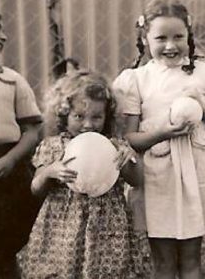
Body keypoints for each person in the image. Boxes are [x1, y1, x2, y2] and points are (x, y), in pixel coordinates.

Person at [113, 0, 205, 278]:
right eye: (161, 38)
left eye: (178, 36)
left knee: (192, 258)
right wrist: (161, 132)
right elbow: (129, 139)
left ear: (188, 35)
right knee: (164, 261)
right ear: (145, 39)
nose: (171, 46)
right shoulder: (137, 80)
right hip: (159, 179)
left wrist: (203, 108)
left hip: (197, 174)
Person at [19, 72, 144, 278]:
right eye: (78, 116)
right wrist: (50, 171)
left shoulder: (113, 146)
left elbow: (137, 180)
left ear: (107, 116)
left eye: (96, 117)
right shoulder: (54, 146)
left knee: (107, 271)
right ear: (64, 115)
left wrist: (129, 159)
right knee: (63, 270)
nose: (88, 124)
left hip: (106, 225)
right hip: (63, 225)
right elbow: (36, 188)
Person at [0, 2, 42, 279]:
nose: (4, 36)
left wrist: (11, 159)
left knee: (6, 250)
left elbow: (32, 130)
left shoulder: (13, 80)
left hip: (9, 175)